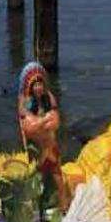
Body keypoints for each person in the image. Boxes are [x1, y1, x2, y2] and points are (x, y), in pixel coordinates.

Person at [17, 61, 70, 211]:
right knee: (35, 178)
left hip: (50, 145)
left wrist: (40, 123)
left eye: (40, 84)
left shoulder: (49, 98)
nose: (38, 88)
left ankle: (64, 205)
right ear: (30, 87)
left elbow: (55, 122)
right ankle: (36, 209)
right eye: (35, 85)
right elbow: (29, 127)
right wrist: (43, 121)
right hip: (36, 149)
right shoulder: (27, 102)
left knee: (57, 173)